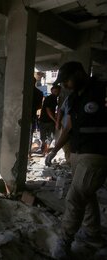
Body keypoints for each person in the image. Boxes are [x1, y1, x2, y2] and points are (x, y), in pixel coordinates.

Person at [45, 62, 107, 259]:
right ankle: (92, 234)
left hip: (97, 153)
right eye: (62, 82)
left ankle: (64, 241)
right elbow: (68, 128)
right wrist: (54, 151)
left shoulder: (101, 90)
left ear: (79, 74)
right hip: (77, 153)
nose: (65, 85)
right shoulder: (73, 98)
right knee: (86, 197)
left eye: (67, 80)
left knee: (75, 196)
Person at [38, 84, 60, 155]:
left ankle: (44, 150)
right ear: (52, 91)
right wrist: (55, 120)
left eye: (58, 91)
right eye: (55, 91)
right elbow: (48, 110)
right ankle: (45, 150)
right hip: (47, 121)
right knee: (48, 137)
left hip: (44, 120)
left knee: (46, 137)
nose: (57, 93)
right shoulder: (50, 98)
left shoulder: (52, 98)